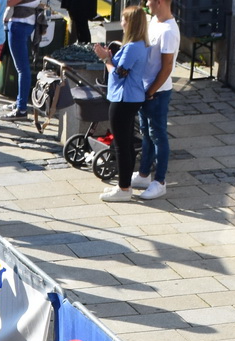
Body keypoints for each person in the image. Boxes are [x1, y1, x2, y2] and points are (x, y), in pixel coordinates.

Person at [92, 6, 150, 203]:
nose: (122, 23)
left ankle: (124, 188)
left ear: (130, 23)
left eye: (124, 19)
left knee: (121, 144)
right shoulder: (139, 45)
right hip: (130, 97)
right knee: (126, 143)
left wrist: (105, 59)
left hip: (124, 98)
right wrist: (110, 57)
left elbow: (119, 74)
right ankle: (125, 184)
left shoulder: (133, 47)